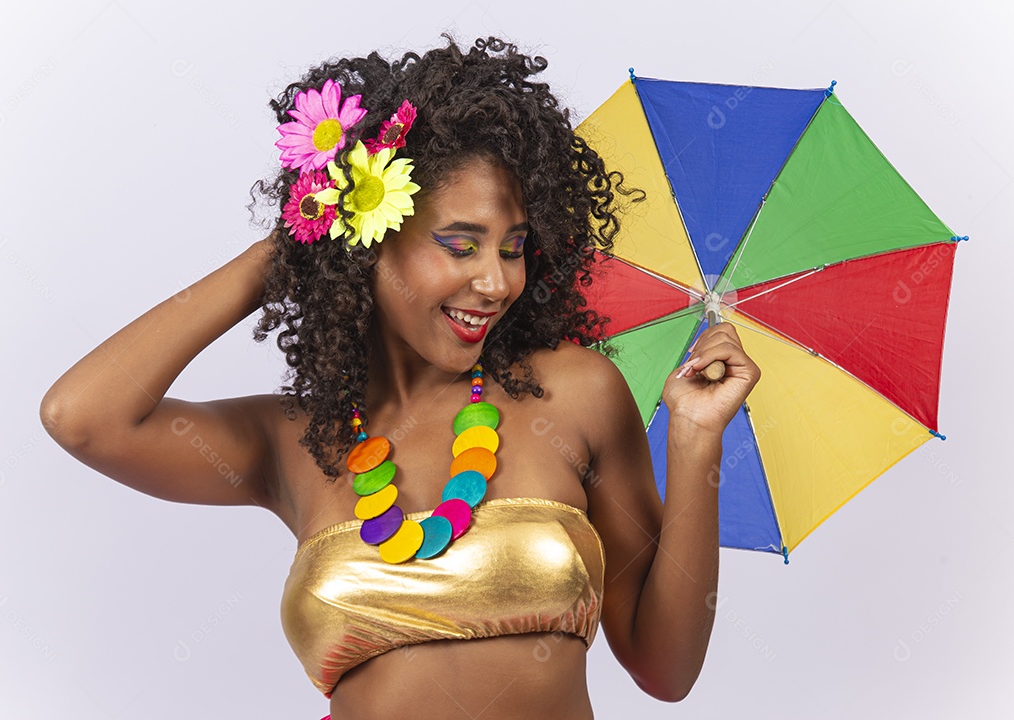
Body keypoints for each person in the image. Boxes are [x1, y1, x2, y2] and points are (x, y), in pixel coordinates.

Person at [40, 36, 760, 720]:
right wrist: (294, 243)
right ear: (370, 240)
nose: (497, 281)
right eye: (460, 245)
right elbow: (83, 418)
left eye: (513, 248)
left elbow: (665, 669)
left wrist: (695, 438)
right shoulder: (296, 438)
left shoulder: (574, 394)